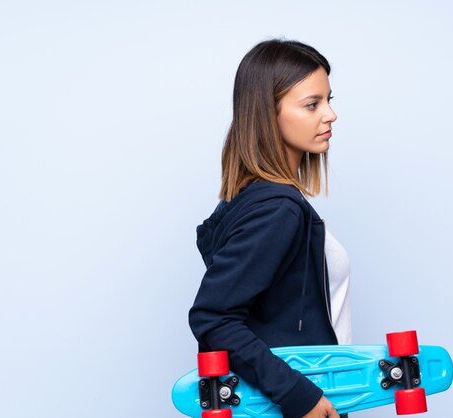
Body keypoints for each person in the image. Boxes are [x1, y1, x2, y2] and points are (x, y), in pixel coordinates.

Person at [188, 38, 351, 418]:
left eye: (328, 100)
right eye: (312, 104)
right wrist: (298, 395)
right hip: (295, 405)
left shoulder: (254, 200)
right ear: (268, 114)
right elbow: (213, 318)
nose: (330, 115)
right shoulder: (278, 209)